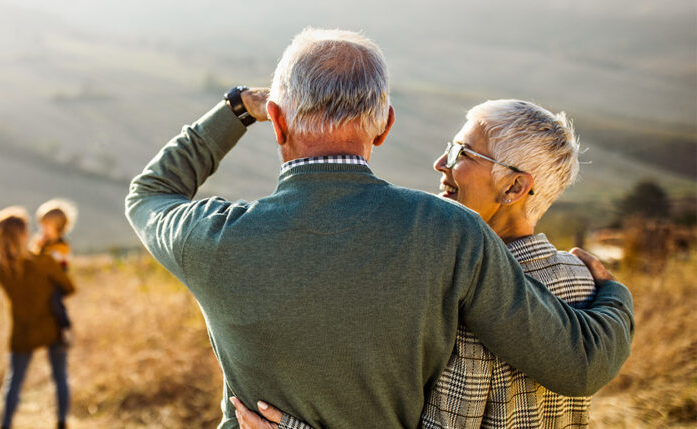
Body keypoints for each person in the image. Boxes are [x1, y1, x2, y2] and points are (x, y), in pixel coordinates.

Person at [124, 28, 634, 428]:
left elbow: (150, 193)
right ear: (385, 125)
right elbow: (579, 364)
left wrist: (237, 109)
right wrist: (613, 295)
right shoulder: (451, 232)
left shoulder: (212, 238)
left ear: (276, 122)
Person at [233, 100, 605, 428]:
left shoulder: (447, 290)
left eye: (462, 153)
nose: (441, 163)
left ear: (513, 188)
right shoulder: (585, 281)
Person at [0, 206, 76, 429]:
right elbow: (69, 287)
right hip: (51, 325)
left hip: (22, 329)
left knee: (14, 381)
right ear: (23, 234)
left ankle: (5, 424)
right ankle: (61, 422)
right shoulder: (43, 262)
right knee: (60, 377)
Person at [32, 198, 78, 344]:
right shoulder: (43, 243)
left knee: (55, 301)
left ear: (57, 227)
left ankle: (66, 326)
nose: (43, 229)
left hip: (57, 282)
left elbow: (55, 263)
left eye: (46, 225)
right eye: (42, 225)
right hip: (43, 282)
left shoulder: (62, 245)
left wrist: (43, 250)